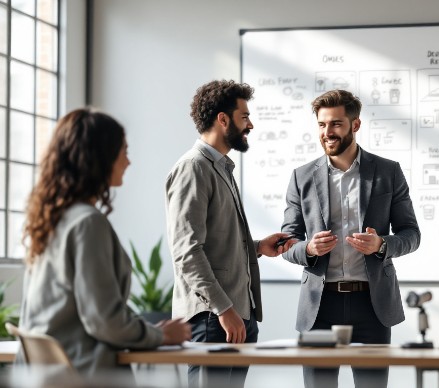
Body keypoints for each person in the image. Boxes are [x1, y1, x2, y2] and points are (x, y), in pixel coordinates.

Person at [18, 108, 191, 376]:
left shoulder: (51, 219)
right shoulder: (88, 223)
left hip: (48, 374)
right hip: (85, 374)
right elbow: (104, 323)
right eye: (124, 151)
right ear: (101, 157)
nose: (128, 162)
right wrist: (161, 336)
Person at [281, 89, 421, 388]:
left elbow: (411, 234)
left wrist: (382, 244)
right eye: (321, 124)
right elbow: (287, 242)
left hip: (372, 304)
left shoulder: (388, 172)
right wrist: (307, 248)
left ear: (355, 125)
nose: (327, 132)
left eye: (335, 124)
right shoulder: (301, 177)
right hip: (320, 305)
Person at [165, 80, 293, 388]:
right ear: (223, 119)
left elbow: (216, 241)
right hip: (214, 318)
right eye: (244, 116)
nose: (250, 124)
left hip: (236, 316)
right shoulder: (193, 168)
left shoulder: (221, 168)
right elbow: (187, 252)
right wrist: (224, 309)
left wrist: (258, 247)